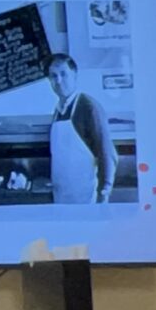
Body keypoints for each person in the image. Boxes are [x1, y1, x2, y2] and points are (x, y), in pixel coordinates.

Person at [45, 52, 116, 205]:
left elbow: (107, 153)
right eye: (53, 76)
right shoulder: (58, 110)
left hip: (86, 197)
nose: (59, 81)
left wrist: (105, 191)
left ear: (75, 75)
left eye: (63, 74)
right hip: (62, 195)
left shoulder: (88, 106)